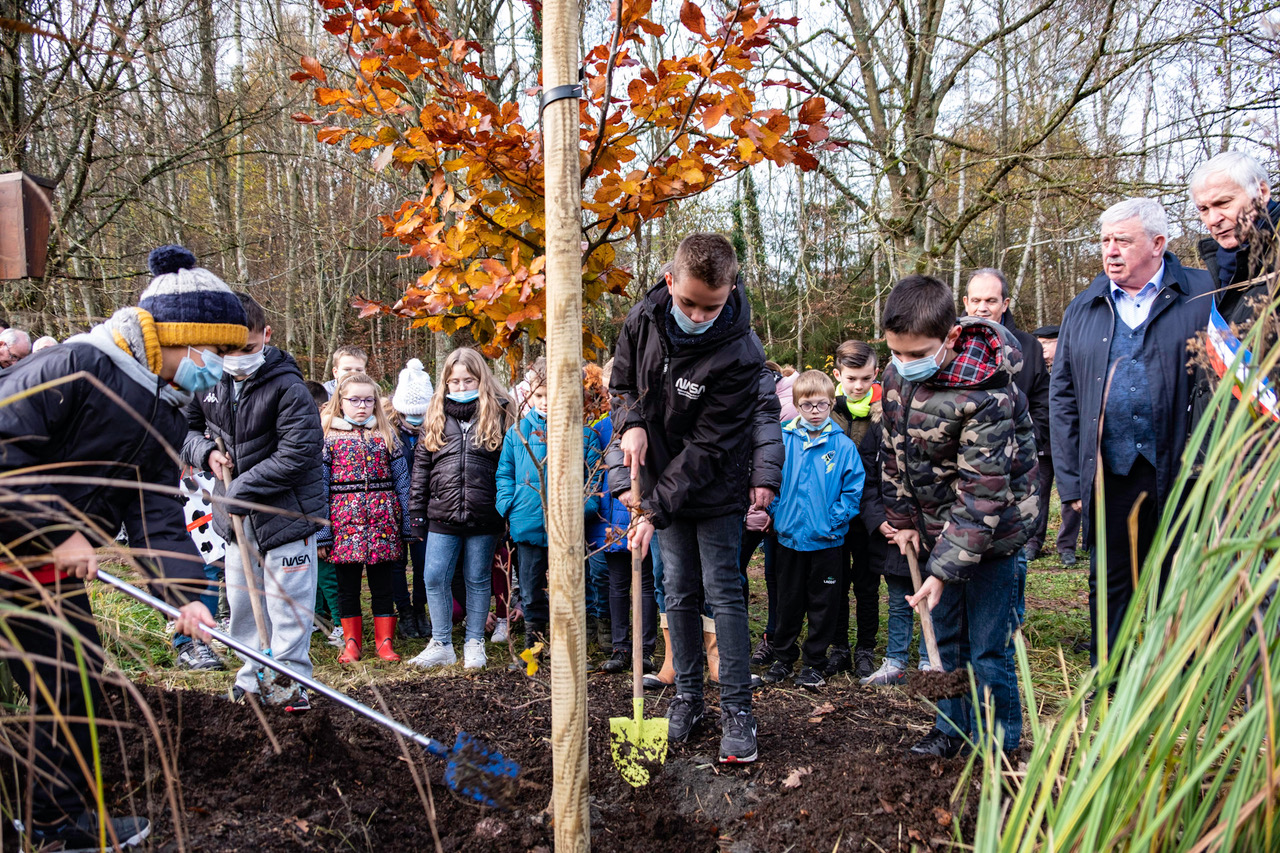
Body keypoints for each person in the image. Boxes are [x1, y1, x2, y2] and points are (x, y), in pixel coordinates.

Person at [0, 244, 245, 849]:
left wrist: (186, 597)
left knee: (75, 681)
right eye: (213, 352)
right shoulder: (75, 367)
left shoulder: (163, 410)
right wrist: (60, 532)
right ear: (178, 339)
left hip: (45, 574)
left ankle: (55, 820)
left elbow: (154, 510)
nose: (217, 367)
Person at [609, 232, 778, 764]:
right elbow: (620, 383)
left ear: (731, 290)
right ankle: (687, 696)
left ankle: (737, 709)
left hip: (714, 483)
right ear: (669, 282)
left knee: (722, 592)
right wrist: (631, 422)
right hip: (659, 474)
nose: (700, 315)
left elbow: (710, 445)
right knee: (675, 588)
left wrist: (656, 508)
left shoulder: (742, 352)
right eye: (688, 303)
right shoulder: (644, 318)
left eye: (713, 305)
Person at [880, 273, 1038, 758]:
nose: (904, 365)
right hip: (932, 529)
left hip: (993, 536)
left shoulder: (988, 394)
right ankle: (951, 732)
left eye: (917, 354)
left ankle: (997, 747)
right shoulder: (896, 377)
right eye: (896, 353)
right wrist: (902, 517)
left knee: (988, 648)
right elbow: (894, 453)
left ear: (950, 337)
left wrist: (944, 572)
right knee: (945, 641)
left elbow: (982, 494)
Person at [1050, 198, 1212, 665]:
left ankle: (1174, 676)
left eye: (1123, 240)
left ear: (1159, 244)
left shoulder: (1203, 293)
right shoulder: (1084, 307)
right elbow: (1062, 399)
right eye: (1105, 241)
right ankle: (1112, 675)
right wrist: (1072, 480)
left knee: (1178, 574)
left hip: (1183, 469)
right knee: (1111, 576)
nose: (1111, 251)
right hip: (1110, 470)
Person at [182, 292, 324, 708]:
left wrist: (240, 491)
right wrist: (204, 453)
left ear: (267, 335)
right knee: (243, 608)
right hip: (235, 524)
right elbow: (185, 430)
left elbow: (298, 453)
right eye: (228, 350)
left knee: (288, 610)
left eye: (248, 349)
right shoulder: (206, 381)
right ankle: (250, 680)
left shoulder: (288, 387)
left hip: (287, 519)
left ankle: (291, 682)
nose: (238, 359)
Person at [407, 348, 513, 670]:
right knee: (433, 576)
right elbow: (421, 467)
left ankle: (474, 642)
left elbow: (507, 465)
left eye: (469, 379)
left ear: (481, 379)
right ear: (445, 383)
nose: (462, 386)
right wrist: (416, 512)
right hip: (442, 511)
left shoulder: (499, 413)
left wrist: (505, 510)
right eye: (455, 381)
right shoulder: (436, 414)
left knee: (477, 578)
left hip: (484, 513)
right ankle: (441, 642)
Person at [758, 370, 865, 689]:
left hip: (827, 541)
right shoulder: (782, 439)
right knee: (788, 601)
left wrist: (834, 519)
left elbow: (853, 488)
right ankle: (783, 657)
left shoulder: (843, 446)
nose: (815, 411)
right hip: (788, 538)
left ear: (831, 404)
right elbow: (770, 479)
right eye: (807, 405)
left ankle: (815, 663)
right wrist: (777, 514)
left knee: (824, 603)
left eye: (821, 405)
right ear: (796, 404)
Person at [496, 359, 602, 659]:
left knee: (569, 586)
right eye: (539, 395)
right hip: (527, 524)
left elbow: (593, 483)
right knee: (530, 588)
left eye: (551, 395)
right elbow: (505, 472)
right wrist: (509, 504)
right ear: (529, 394)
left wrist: (579, 511)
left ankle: (570, 644)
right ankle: (534, 643)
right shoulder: (516, 433)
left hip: (568, 529)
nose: (544, 402)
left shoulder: (584, 436)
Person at [963, 269, 1050, 626]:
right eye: (976, 300)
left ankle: (1011, 624)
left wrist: (1024, 444)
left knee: (1011, 547)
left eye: (991, 301)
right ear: (965, 302)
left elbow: (1045, 404)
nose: (982, 308)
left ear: (1005, 303)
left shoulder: (1028, 347)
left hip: (1013, 471)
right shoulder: (949, 344)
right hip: (964, 470)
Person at [318, 373, 413, 663]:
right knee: (348, 588)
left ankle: (384, 642)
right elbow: (319, 486)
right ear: (341, 401)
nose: (362, 406)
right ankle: (352, 643)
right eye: (355, 400)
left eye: (368, 400)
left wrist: (406, 523)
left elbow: (403, 482)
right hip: (343, 522)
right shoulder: (327, 437)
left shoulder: (386, 435)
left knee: (382, 585)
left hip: (383, 522)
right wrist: (322, 532)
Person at [827, 340, 884, 678]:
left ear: (875, 374)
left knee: (867, 584)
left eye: (865, 378)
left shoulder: (886, 411)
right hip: (834, 515)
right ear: (838, 376)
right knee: (835, 582)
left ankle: (865, 647)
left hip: (869, 516)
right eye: (851, 379)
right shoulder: (827, 409)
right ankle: (838, 646)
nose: (858, 386)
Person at [1192, 150, 1278, 330]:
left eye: (1223, 203)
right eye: (1204, 209)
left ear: (1261, 193)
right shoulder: (1220, 265)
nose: (1214, 219)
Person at [390, 357, 435, 639]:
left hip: (426, 511)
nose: (415, 420)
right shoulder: (387, 433)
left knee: (423, 564)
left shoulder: (435, 433)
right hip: (393, 510)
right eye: (410, 415)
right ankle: (404, 611)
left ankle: (420, 609)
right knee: (396, 564)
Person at [1030, 324, 1082, 565]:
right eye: (1038, 344)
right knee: (1037, 495)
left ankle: (1067, 547)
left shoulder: (1075, 369)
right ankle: (1033, 543)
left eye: (1046, 344)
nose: (1041, 349)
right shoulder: (1034, 370)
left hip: (1070, 446)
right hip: (1042, 443)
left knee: (1072, 496)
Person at [172, 467, 228, 671]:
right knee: (204, 567)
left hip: (221, 490)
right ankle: (190, 643)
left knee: (220, 567)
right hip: (191, 493)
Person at [304, 379, 345, 645]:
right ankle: (317, 617)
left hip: (325, 521)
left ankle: (342, 623)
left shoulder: (328, 437)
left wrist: (322, 532)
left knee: (328, 574)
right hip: (302, 517)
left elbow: (322, 488)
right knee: (311, 573)